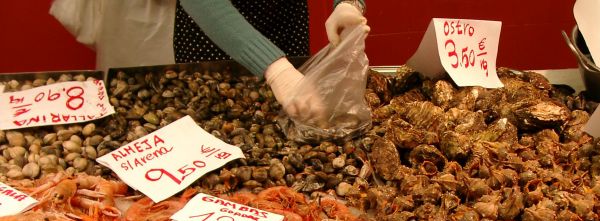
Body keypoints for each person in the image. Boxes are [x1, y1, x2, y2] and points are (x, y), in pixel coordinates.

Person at [50, 0, 368, 119]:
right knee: (217, 116)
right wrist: (277, 69)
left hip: (282, 17)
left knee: (291, 121)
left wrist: (348, 3)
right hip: (212, 32)